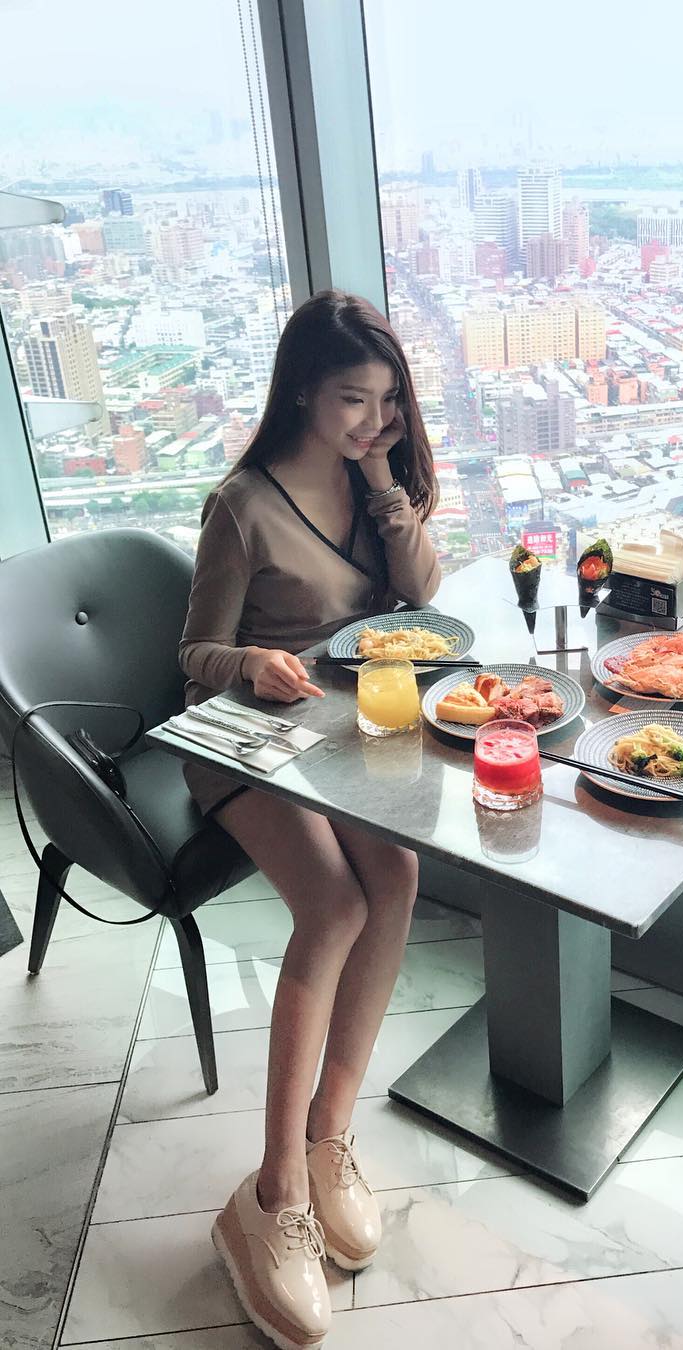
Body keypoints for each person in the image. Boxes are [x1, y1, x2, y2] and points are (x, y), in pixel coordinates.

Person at [179, 290, 440, 1350]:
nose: (373, 420)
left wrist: (383, 482)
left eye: (386, 401)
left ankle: (331, 1131)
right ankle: (274, 1193)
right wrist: (252, 661)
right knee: (334, 907)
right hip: (242, 737)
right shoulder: (241, 506)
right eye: (351, 401)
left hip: (341, 729)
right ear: (301, 392)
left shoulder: (372, 481)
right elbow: (192, 656)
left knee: (399, 879)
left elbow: (421, 595)